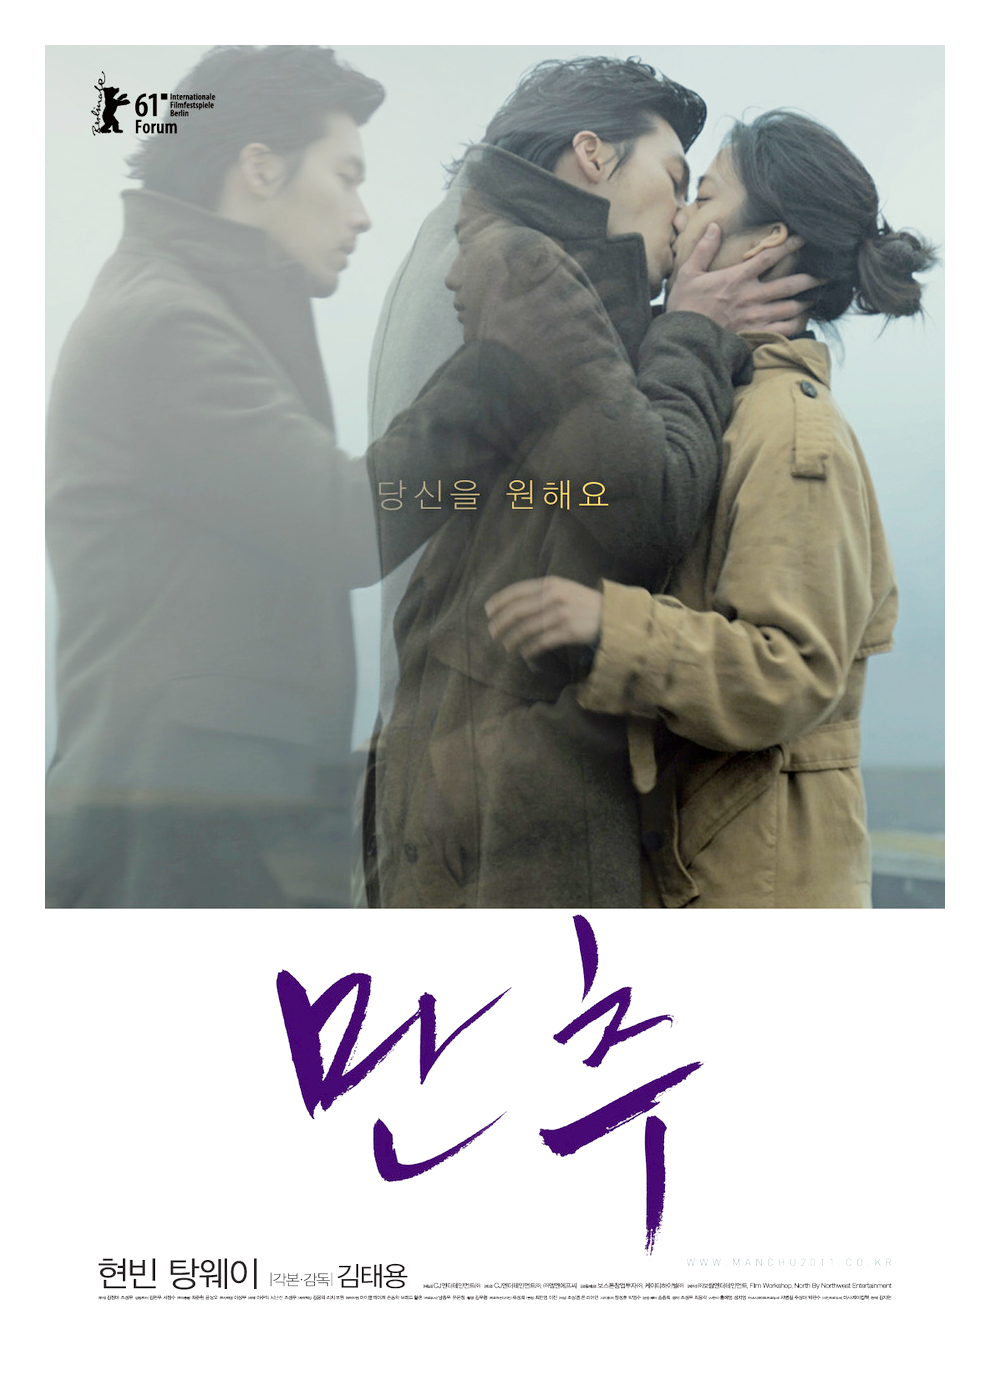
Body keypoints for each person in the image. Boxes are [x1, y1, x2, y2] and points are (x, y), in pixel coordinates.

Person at [46, 44, 555, 908]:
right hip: (178, 830)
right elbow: (345, 522)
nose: (362, 214)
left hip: (196, 813)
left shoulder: (199, 305)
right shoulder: (167, 324)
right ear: (260, 168)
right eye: (345, 177)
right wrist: (501, 366)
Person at [364, 58, 819, 908]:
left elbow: (374, 518)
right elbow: (649, 504)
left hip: (452, 795)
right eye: (675, 179)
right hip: (511, 821)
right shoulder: (531, 277)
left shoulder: (499, 266)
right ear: (592, 155)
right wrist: (694, 329)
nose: (683, 213)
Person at [487, 110, 936, 908]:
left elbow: (790, 668)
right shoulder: (729, 407)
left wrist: (609, 626)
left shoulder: (791, 429)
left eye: (705, 193)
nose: (682, 212)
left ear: (767, 242)